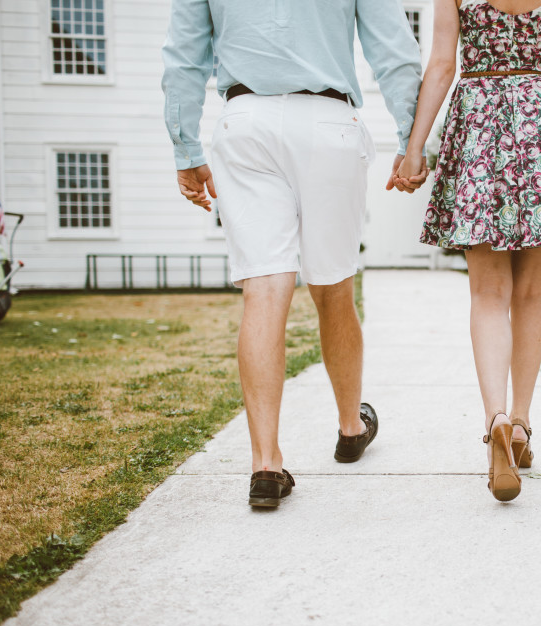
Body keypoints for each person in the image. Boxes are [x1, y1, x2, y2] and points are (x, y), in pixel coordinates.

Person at [161, 1, 429, 508]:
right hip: (328, 121)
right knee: (333, 287)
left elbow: (184, 57)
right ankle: (351, 429)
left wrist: (185, 151)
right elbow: (393, 49)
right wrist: (410, 137)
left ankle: (266, 464)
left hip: (245, 122)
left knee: (263, 291)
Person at [395, 0, 541, 501]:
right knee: (532, 293)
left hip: (480, 122)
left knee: (489, 294)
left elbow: (443, 64)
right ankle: (522, 425)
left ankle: (496, 419)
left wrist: (414, 147)